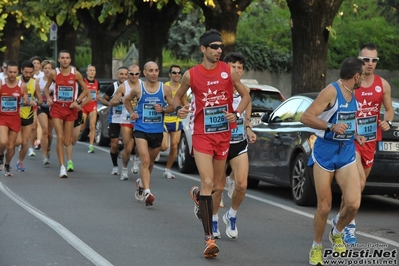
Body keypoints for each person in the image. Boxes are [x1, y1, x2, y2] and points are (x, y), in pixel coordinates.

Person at [173, 29, 251, 259]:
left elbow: (246, 96)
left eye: (221, 47)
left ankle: (199, 195)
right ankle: (209, 239)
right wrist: (181, 108)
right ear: (203, 49)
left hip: (223, 135)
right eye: (214, 47)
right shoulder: (191, 75)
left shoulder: (228, 72)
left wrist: (236, 114)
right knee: (208, 181)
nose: (219, 51)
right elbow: (178, 97)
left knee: (217, 186)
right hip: (202, 135)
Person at [300, 57, 366, 265]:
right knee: (325, 206)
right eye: (362, 75)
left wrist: (355, 135)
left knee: (354, 203)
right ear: (356, 76)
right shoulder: (331, 91)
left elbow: (345, 121)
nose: (363, 79)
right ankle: (317, 246)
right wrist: (330, 127)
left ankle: (337, 232)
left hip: (346, 150)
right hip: (325, 152)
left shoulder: (353, 93)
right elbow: (306, 117)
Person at [331, 43, 394, 245]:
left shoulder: (382, 85)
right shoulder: (350, 83)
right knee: (356, 183)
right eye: (366, 60)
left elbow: (389, 109)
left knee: (359, 185)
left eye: (374, 60)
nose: (370, 64)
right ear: (359, 61)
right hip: (351, 139)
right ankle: (349, 227)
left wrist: (388, 121)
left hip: (371, 140)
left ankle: (341, 218)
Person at [211, 52, 257, 240]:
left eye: (239, 67)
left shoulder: (245, 90)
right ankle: (213, 219)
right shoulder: (217, 88)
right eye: (233, 67)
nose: (236, 70)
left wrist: (248, 127)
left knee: (242, 184)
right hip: (219, 143)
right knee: (219, 187)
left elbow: (247, 109)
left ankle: (232, 214)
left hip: (238, 142)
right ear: (225, 68)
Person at [124, 61, 175, 206]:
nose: (154, 73)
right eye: (151, 71)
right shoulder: (138, 89)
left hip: (157, 130)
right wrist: (132, 113)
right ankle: (147, 192)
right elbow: (126, 100)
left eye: (156, 70)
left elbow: (172, 107)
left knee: (151, 162)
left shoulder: (164, 89)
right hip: (141, 129)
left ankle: (141, 182)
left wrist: (164, 110)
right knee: (145, 160)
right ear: (145, 73)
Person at [43, 50, 89, 178]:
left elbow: (86, 90)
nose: (64, 60)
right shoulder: (54, 73)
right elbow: (46, 88)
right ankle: (62, 167)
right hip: (57, 107)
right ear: (58, 60)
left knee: (67, 141)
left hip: (70, 108)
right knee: (60, 135)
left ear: (70, 60)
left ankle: (63, 161)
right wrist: (48, 98)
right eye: (62, 58)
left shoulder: (76, 74)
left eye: (67, 58)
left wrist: (78, 101)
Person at [109, 64, 140, 181]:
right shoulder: (123, 87)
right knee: (128, 147)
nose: (134, 76)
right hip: (125, 119)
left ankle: (136, 160)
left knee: (140, 144)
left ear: (139, 74)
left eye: (136, 74)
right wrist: (121, 100)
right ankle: (125, 169)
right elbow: (112, 102)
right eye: (131, 74)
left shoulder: (143, 85)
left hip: (139, 119)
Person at [159, 65, 188, 179]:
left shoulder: (182, 87)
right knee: (164, 146)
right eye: (174, 72)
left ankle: (167, 169)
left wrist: (190, 107)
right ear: (170, 74)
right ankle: (153, 149)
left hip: (176, 120)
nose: (177, 75)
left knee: (175, 146)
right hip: (164, 119)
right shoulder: (164, 87)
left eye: (179, 73)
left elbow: (184, 101)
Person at [0, 61, 29, 176]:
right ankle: (1, 154)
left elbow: (25, 98)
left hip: (15, 118)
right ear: (6, 71)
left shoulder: (21, 85)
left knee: (11, 145)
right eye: (10, 72)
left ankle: (7, 165)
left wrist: (27, 101)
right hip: (2, 117)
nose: (12, 74)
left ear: (18, 72)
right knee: (3, 141)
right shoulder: (1, 83)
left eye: (14, 72)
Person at [99, 66, 128, 176]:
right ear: (117, 75)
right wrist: (111, 103)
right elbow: (103, 100)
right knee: (114, 144)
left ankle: (123, 151)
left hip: (128, 119)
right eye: (121, 74)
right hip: (115, 118)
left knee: (128, 143)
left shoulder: (132, 87)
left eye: (126, 74)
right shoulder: (112, 88)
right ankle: (115, 166)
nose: (124, 76)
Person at [14, 60, 43, 172]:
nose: (28, 75)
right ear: (21, 71)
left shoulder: (34, 83)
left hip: (28, 114)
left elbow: (40, 99)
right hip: (14, 115)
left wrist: (34, 102)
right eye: (26, 72)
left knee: (24, 142)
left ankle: (19, 162)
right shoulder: (14, 81)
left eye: (30, 73)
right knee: (16, 142)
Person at [37, 60, 56, 165]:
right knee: (44, 130)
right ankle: (44, 156)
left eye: (49, 68)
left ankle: (48, 148)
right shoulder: (38, 81)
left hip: (53, 108)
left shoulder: (55, 81)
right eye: (45, 68)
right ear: (42, 69)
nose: (47, 70)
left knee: (49, 133)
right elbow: (38, 96)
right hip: (42, 107)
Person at [81, 64, 99, 154]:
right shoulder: (83, 81)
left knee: (92, 125)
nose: (92, 72)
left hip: (93, 106)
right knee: (82, 126)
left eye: (94, 70)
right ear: (87, 72)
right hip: (84, 106)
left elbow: (98, 94)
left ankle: (91, 145)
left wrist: (98, 97)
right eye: (90, 70)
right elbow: (79, 93)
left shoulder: (97, 82)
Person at [29, 56, 44, 154]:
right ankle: (29, 141)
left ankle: (38, 141)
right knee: (32, 125)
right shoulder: (28, 75)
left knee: (38, 123)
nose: (36, 65)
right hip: (27, 103)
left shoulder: (43, 75)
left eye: (38, 63)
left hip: (40, 101)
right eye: (34, 63)